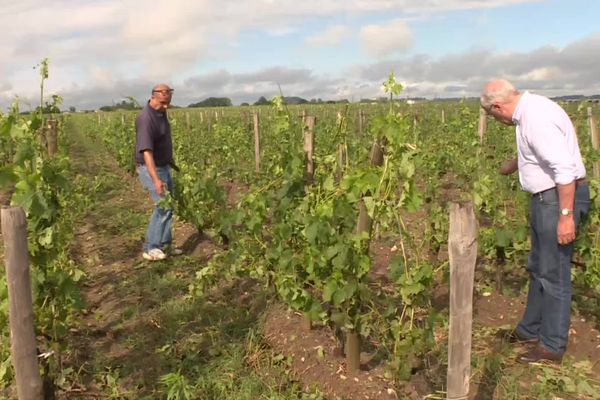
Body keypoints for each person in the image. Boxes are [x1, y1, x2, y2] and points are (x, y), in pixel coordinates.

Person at [481, 79, 590, 364]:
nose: (497, 120)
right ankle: (530, 330)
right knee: (539, 268)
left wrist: (566, 217)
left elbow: (564, 169)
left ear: (497, 106)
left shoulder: (535, 117)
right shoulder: (529, 113)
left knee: (554, 274)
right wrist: (515, 163)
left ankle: (552, 346)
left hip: (557, 200)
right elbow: (542, 150)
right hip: (547, 200)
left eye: (493, 115)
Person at [135, 84, 182, 261]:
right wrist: (156, 179)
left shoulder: (160, 112)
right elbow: (146, 152)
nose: (166, 106)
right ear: (153, 96)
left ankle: (165, 245)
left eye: (168, 102)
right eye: (163, 102)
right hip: (151, 168)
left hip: (164, 165)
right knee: (163, 205)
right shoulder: (146, 119)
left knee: (169, 206)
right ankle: (151, 247)